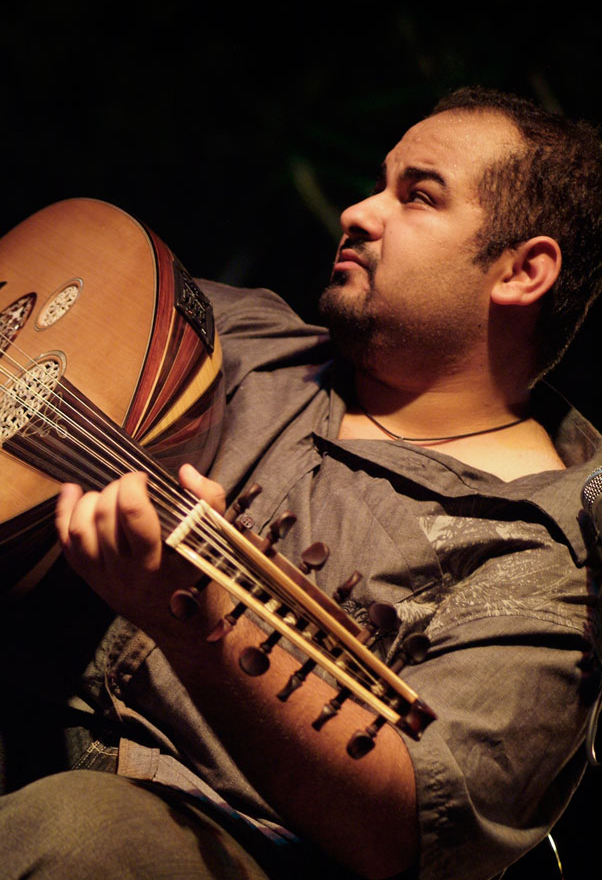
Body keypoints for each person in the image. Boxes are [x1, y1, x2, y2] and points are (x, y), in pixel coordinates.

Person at [2, 86, 602, 880]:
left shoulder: (543, 564)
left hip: (214, 845)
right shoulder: (241, 338)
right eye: (378, 183)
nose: (358, 211)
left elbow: (409, 827)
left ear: (523, 271)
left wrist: (199, 624)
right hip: (27, 711)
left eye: (417, 195)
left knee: (79, 834)